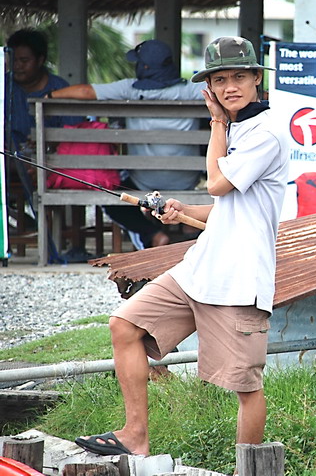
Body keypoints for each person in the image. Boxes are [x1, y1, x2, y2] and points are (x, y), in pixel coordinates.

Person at [75, 36, 288, 457]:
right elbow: (226, 205)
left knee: (245, 386)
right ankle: (135, 434)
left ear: (257, 80)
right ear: (210, 85)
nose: (230, 87)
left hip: (240, 279)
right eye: (220, 79)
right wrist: (182, 209)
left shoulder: (267, 131)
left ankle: (248, 468)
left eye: (239, 77)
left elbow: (218, 184)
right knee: (124, 325)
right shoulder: (239, 126)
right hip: (199, 268)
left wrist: (215, 124)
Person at [50, 39, 204, 249]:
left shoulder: (129, 89)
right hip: (187, 179)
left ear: (144, 67)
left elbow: (86, 92)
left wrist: (49, 95)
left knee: (113, 198)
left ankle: (153, 234)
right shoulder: (192, 90)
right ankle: (192, 231)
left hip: (142, 181)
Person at [5, 29, 83, 151]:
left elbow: (73, 133)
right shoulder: (2, 86)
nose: (17, 66)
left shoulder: (60, 88)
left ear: (40, 60)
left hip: (51, 163)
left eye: (24, 61)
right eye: (13, 60)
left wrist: (49, 145)